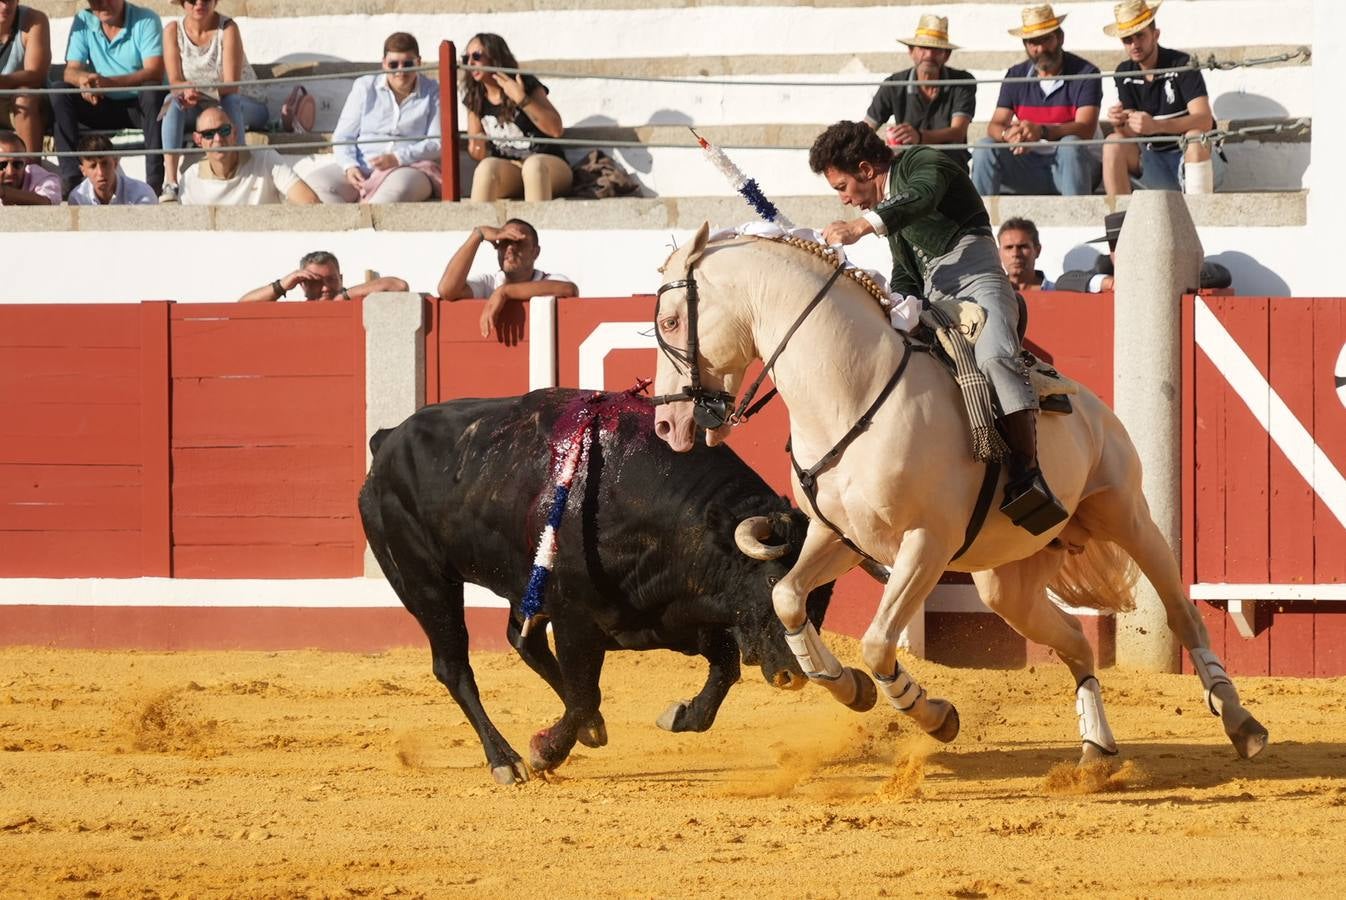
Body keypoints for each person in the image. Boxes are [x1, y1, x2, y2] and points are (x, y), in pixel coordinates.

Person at [810, 120, 1066, 533]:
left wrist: (864, 226)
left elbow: (922, 198)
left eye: (842, 186)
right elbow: (907, 272)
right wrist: (891, 302)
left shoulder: (923, 162)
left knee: (996, 357)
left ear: (865, 169)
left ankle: (1027, 473)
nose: (844, 199)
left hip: (978, 281)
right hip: (931, 299)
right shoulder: (892, 210)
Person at [970, 4, 1102, 196]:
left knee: (1070, 145)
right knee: (984, 147)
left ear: (1060, 38)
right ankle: (977, 222)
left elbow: (1086, 128)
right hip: (1028, 165)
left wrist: (1041, 131)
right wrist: (1010, 135)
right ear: (1025, 45)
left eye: (1046, 39)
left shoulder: (1086, 73)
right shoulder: (1015, 75)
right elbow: (995, 125)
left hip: (1076, 165)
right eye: (1033, 42)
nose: (1040, 49)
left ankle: (1078, 217)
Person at [302, 32, 441, 204]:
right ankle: (348, 230)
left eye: (407, 63)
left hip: (409, 167)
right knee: (315, 185)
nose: (400, 70)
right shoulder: (365, 87)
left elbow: (437, 142)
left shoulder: (433, 91)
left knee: (387, 199)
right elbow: (343, 136)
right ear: (384, 64)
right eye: (393, 64)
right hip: (363, 165)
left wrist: (398, 158)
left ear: (418, 62)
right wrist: (349, 166)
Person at [1101, 0, 1221, 196]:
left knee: (1195, 138)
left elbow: (1204, 120)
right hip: (1154, 159)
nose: (1134, 44)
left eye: (1140, 35)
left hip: (1193, 155)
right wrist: (1118, 123)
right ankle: (1120, 224)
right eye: (1127, 39)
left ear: (1155, 35)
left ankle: (1201, 217)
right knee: (1113, 142)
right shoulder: (1124, 71)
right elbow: (1130, 132)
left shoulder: (1182, 63)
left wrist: (1157, 127)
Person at [50, 0, 168, 197]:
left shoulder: (146, 19)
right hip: (101, 103)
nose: (101, 4)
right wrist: (84, 82)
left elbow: (154, 71)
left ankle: (154, 184)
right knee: (60, 92)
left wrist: (109, 83)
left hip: (139, 106)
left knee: (151, 92)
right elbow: (70, 70)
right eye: (95, 0)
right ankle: (71, 183)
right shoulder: (83, 19)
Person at [160, 0, 269, 202]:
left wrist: (196, 92)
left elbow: (231, 85)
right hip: (203, 108)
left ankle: (241, 168)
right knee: (171, 101)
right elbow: (175, 81)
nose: (199, 3)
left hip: (246, 102)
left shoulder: (228, 28)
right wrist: (184, 92)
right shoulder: (171, 31)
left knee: (230, 101)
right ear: (183, 3)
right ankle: (170, 180)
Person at [460, 32, 570, 202]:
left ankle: (536, 227)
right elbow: (477, 151)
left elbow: (556, 129)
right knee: (486, 167)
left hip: (548, 165)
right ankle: (479, 228)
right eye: (465, 58)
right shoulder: (475, 97)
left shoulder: (524, 82)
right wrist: (477, 147)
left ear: (494, 56)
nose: (470, 63)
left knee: (533, 166)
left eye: (476, 56)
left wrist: (521, 99)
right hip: (511, 169)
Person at [862, 13, 975, 169]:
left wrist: (919, 137)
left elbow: (958, 132)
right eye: (923, 48)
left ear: (946, 55)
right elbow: (866, 128)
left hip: (949, 165)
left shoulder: (962, 82)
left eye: (936, 49)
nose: (929, 55)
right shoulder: (893, 84)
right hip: (907, 164)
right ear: (911, 51)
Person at [436, 218, 578, 339]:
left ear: (535, 252)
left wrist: (505, 292)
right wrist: (478, 234)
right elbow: (447, 290)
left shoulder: (549, 279)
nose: (510, 248)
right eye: (504, 242)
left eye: (518, 242)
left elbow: (569, 289)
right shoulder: (489, 283)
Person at [1057, 210, 1232, 292]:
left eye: (1128, 245)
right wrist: (1109, 283)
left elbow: (1220, 275)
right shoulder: (1106, 267)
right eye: (1114, 247)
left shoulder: (1164, 264)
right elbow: (1064, 282)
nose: (1121, 253)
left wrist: (1158, 276)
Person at [178, 106, 319, 205]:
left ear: (235, 133)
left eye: (224, 130)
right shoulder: (190, 179)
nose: (217, 139)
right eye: (209, 134)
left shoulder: (266, 159)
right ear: (198, 140)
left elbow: (310, 202)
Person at [238, 250, 409, 303]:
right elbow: (242, 307)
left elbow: (398, 286)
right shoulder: (294, 313)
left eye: (331, 279)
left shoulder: (356, 300)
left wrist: (345, 295)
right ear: (302, 284)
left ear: (340, 278)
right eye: (316, 282)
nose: (326, 287)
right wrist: (281, 285)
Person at [0, 0, 51, 153]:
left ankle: (32, 170)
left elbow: (36, 75)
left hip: (25, 105)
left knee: (25, 97)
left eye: (10, 0)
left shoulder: (35, 20)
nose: (5, 6)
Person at [68, 132, 156, 204]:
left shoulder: (141, 194)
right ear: (83, 171)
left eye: (105, 164)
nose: (100, 173)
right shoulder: (77, 199)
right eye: (93, 166)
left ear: (115, 162)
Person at [0, 127, 56, 204]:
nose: (10, 172)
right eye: (1, 165)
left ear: (26, 162)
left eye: (17, 164)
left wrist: (4, 192)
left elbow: (47, 202)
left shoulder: (42, 178)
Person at [997, 217, 1053, 291]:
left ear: (1037, 250)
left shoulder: (1060, 293)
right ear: (999, 253)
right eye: (1009, 247)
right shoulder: (989, 296)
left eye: (1022, 247)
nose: (1015, 254)